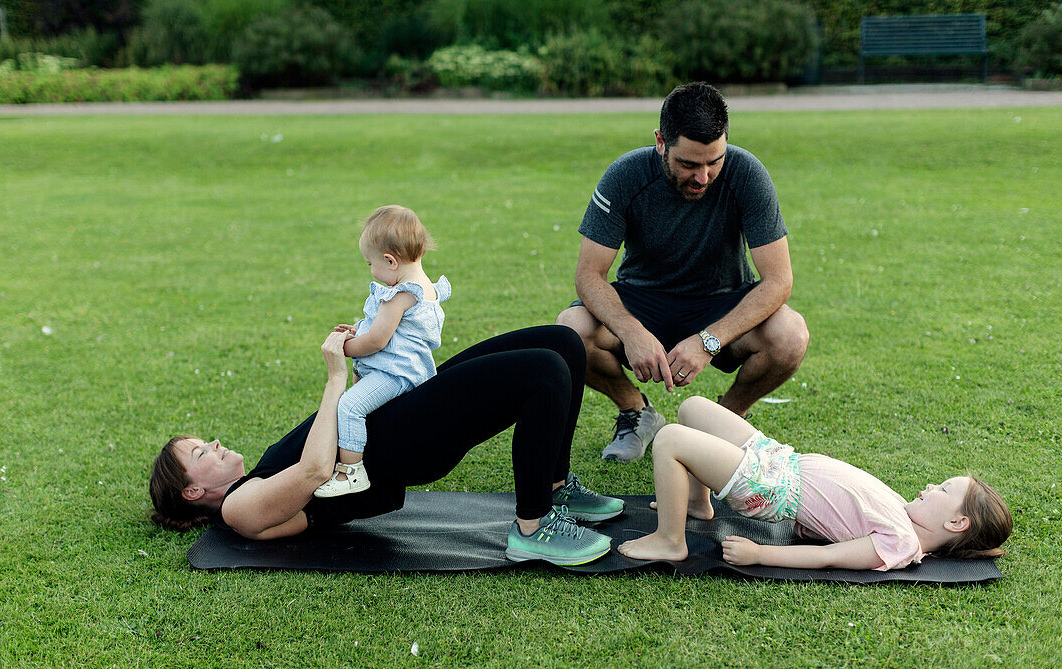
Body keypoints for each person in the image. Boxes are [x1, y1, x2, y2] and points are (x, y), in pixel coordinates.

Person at [149, 325, 626, 566]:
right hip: (404, 443)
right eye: (200, 454)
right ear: (193, 492)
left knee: (563, 342)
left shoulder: (253, 481)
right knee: (543, 371)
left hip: (395, 415)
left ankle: (556, 485)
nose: (213, 444)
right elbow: (317, 470)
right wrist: (337, 378)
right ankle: (534, 525)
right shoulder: (238, 511)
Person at [556, 81, 809, 463]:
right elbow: (589, 275)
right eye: (688, 164)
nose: (703, 177)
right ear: (660, 141)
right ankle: (637, 414)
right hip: (643, 301)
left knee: (790, 335)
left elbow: (779, 280)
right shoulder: (624, 175)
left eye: (714, 161)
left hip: (722, 302)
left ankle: (725, 420)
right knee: (569, 330)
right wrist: (632, 332)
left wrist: (709, 340)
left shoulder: (747, 173)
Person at [617, 396, 1013, 570]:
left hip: (768, 488)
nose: (930, 486)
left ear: (957, 523)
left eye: (943, 490)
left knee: (669, 438)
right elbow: (837, 519)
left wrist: (761, 555)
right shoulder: (903, 511)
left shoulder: (901, 543)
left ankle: (670, 540)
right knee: (693, 408)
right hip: (777, 458)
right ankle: (697, 505)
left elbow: (829, 558)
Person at [316, 205, 451, 498]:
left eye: (370, 264)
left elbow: (377, 340)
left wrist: (345, 348)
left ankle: (350, 473)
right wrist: (358, 328)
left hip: (397, 374)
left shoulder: (400, 295)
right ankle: (361, 452)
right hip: (410, 369)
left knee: (350, 405)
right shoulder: (424, 287)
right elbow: (391, 331)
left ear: (390, 261)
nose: (371, 271)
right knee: (361, 406)